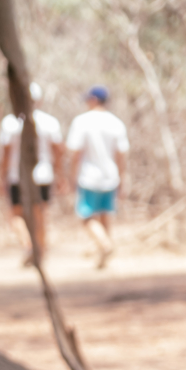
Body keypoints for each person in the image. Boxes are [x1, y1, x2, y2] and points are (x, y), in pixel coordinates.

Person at [0, 83, 63, 263]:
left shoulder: (10, 123)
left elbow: (6, 154)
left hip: (17, 176)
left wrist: (1, 177)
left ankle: (30, 247)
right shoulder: (49, 122)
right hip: (43, 175)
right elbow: (58, 151)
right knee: (40, 215)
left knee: (17, 215)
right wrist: (59, 174)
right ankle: (38, 250)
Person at [64, 85, 128, 268]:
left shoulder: (82, 122)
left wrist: (72, 176)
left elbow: (75, 153)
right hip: (110, 176)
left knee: (87, 218)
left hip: (88, 177)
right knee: (104, 215)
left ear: (93, 100)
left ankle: (105, 245)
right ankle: (103, 257)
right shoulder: (116, 123)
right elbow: (121, 155)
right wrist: (122, 178)